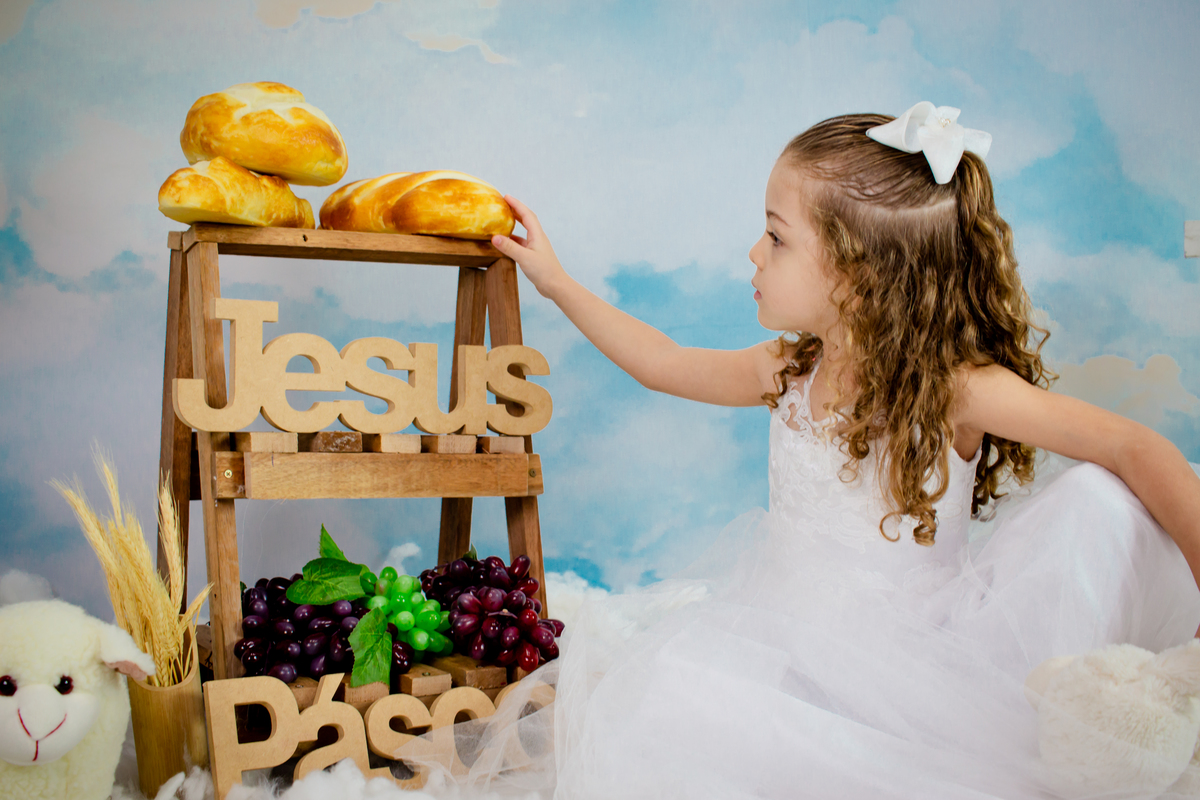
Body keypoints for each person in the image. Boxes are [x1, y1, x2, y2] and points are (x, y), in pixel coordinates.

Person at [408, 105, 1200, 799]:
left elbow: (1137, 449)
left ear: (857, 271)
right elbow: (661, 361)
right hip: (779, 645)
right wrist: (555, 281)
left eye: (777, 238)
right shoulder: (789, 366)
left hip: (914, 670)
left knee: (1098, 497)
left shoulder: (956, 387)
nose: (754, 253)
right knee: (671, 705)